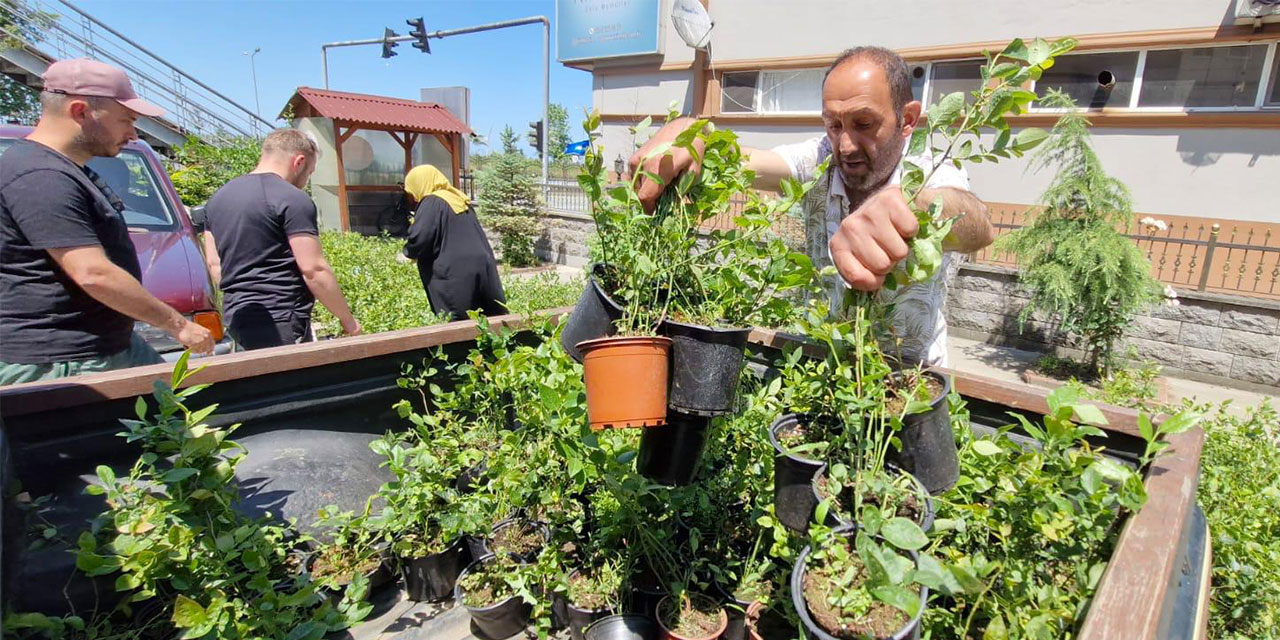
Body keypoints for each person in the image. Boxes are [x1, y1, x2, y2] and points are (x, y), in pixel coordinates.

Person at [629, 46, 994, 367]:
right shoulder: (820, 160)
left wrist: (909, 204)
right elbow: (740, 159)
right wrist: (690, 133)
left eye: (863, 123)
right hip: (821, 370)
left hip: (910, 385)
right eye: (833, 124)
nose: (846, 144)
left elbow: (976, 224)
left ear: (908, 119)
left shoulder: (930, 168)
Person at [0, 58, 215, 385]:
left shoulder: (63, 169)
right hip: (66, 360)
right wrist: (179, 325)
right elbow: (93, 273)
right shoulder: (41, 176)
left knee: (187, 413)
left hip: (104, 346)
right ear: (80, 111)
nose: (132, 133)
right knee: (176, 424)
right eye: (126, 120)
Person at [202, 128, 361, 350]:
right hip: (281, 319)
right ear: (299, 161)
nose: (306, 179)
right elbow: (313, 269)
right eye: (309, 172)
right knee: (291, 384)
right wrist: (348, 321)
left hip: (237, 316)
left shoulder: (217, 200)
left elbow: (214, 264)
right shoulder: (292, 199)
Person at [401, 164, 506, 321]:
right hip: (481, 266)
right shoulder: (459, 199)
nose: (414, 197)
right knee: (486, 320)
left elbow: (421, 237)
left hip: (455, 272)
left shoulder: (432, 201)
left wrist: (408, 253)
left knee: (459, 323)